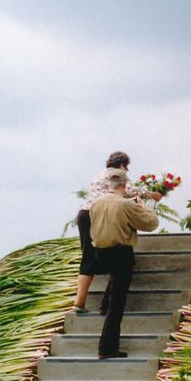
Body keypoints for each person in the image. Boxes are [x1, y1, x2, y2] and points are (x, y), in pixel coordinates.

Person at [72, 151, 161, 314]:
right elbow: (130, 190)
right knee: (115, 255)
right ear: (121, 165)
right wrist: (153, 195)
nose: (126, 171)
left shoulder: (98, 175)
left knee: (88, 256)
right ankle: (100, 302)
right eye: (126, 167)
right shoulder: (116, 176)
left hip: (85, 213)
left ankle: (80, 301)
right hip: (100, 214)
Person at [90, 168, 159, 359]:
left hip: (100, 253)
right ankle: (107, 348)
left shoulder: (96, 203)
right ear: (125, 185)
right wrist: (142, 206)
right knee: (117, 303)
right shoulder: (125, 204)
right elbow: (151, 224)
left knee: (115, 279)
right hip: (120, 253)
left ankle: (104, 302)